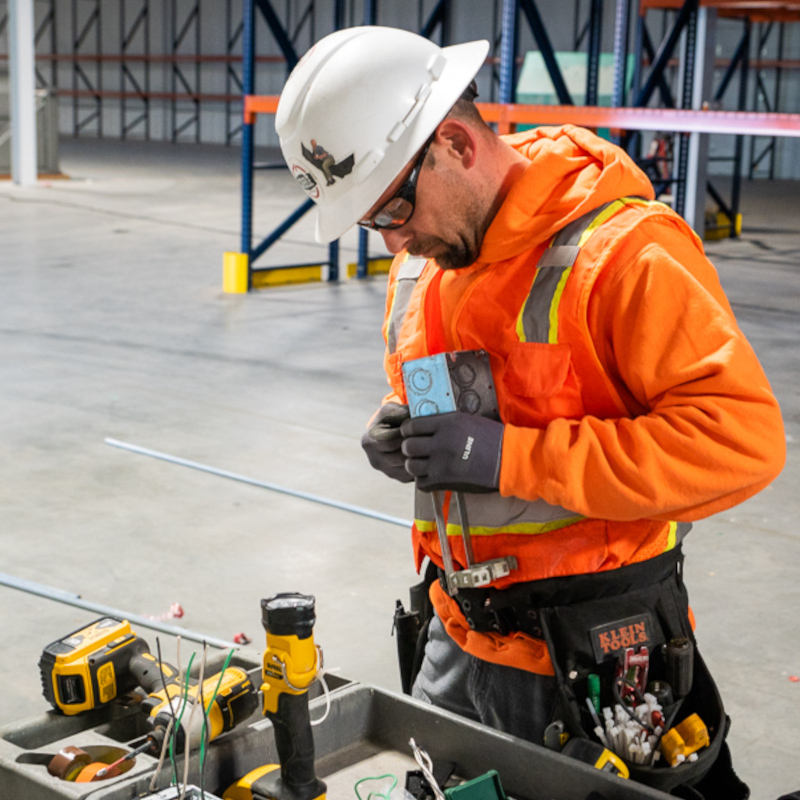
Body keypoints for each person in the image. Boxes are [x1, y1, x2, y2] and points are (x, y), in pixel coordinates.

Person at [276, 26, 785, 796]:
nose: (394, 241)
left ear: (454, 141)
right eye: (374, 223)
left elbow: (739, 442)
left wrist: (509, 457)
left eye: (393, 209)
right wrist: (398, 422)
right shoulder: (423, 269)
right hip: (456, 638)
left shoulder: (625, 256)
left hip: (596, 657)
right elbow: (442, 383)